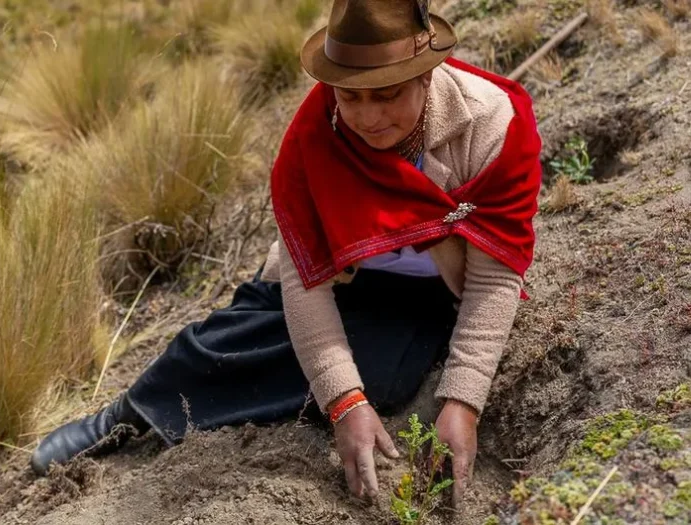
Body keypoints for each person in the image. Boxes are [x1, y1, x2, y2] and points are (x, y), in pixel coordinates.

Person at [31, 0, 542, 507]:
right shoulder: (313, 139)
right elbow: (305, 279)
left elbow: (494, 279)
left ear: (427, 77)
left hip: (432, 287)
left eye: (387, 95)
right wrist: (343, 402)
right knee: (229, 338)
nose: (368, 117)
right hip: (344, 275)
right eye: (350, 96)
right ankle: (130, 412)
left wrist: (463, 402)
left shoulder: (490, 125)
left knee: (385, 372)